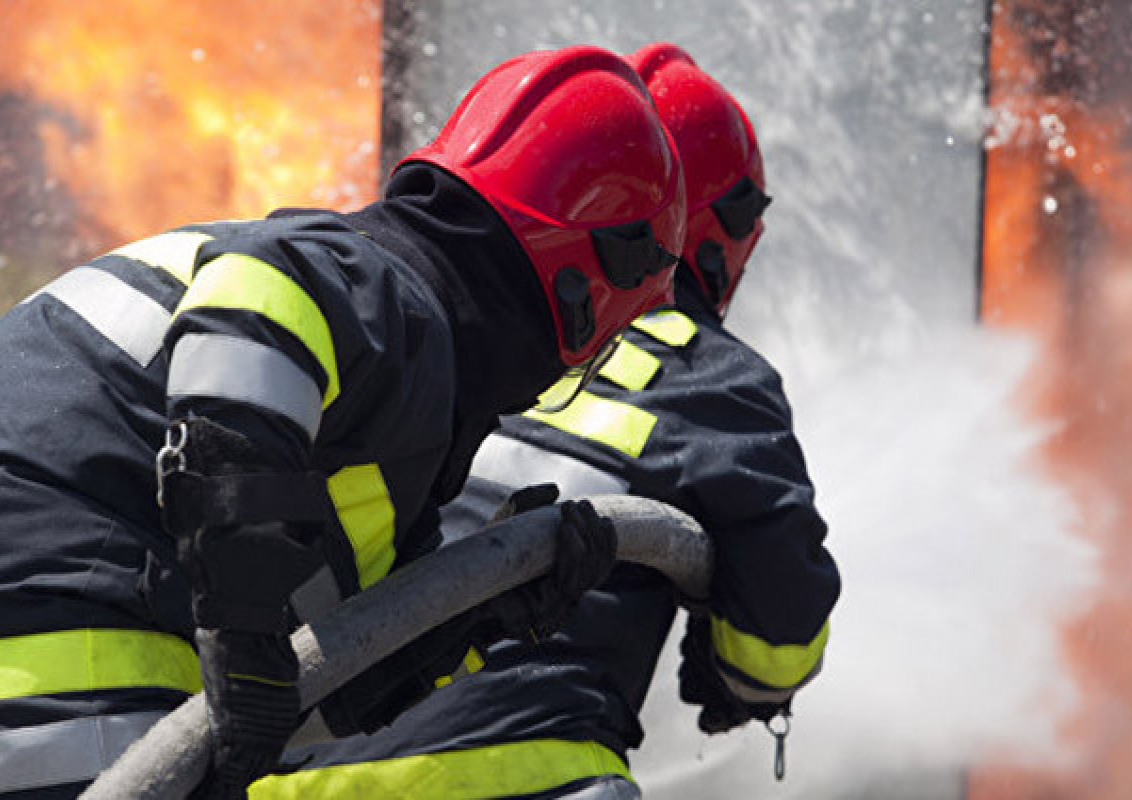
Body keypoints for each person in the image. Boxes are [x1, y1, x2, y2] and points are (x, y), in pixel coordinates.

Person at [0, 45, 687, 799]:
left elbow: (314, 689)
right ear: (588, 287)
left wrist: (484, 614)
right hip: (46, 666)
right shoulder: (376, 287)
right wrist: (243, 632)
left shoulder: (367, 397)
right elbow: (260, 305)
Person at [252, 43, 841, 800]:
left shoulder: (430, 328)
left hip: (286, 775)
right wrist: (740, 678)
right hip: (520, 776)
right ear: (717, 227)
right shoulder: (714, 380)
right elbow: (777, 640)